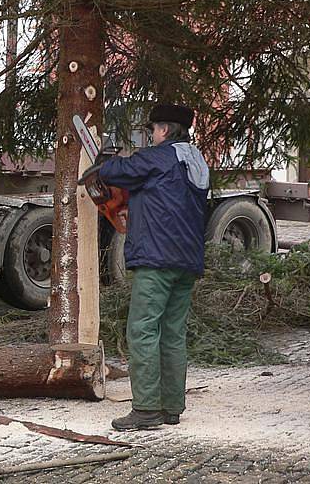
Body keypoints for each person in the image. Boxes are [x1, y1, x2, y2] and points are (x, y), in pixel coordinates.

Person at [96, 103, 210, 431]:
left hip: (156, 259)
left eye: (153, 130)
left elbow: (117, 171)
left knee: (143, 329)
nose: (152, 135)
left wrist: (102, 164)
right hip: (187, 260)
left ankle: (146, 409)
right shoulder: (197, 160)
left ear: (163, 130)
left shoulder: (159, 156)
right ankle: (172, 407)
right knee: (173, 333)